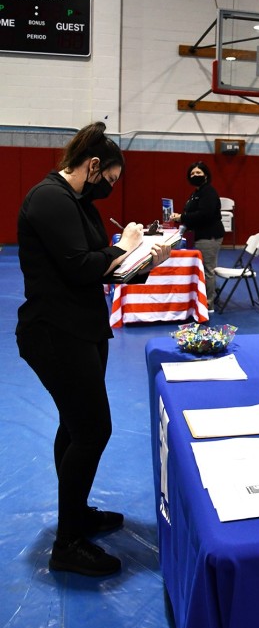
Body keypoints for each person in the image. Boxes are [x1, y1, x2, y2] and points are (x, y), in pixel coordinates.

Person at [16, 121, 172, 577]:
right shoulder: (49, 198)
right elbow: (82, 266)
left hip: (80, 329)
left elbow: (104, 266)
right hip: (54, 332)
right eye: (110, 181)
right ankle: (68, 543)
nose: (110, 190)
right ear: (93, 165)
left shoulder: (77, 201)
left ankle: (76, 513)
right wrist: (124, 246)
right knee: (92, 429)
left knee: (76, 424)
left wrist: (144, 259)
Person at [170, 160, 225, 311]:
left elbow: (204, 215)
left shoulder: (208, 192)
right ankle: (203, 297)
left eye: (198, 173)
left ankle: (209, 303)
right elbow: (192, 213)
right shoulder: (197, 193)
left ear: (206, 175)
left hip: (209, 236)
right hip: (200, 235)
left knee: (208, 270)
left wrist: (182, 217)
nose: (195, 175)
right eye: (192, 173)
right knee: (203, 268)